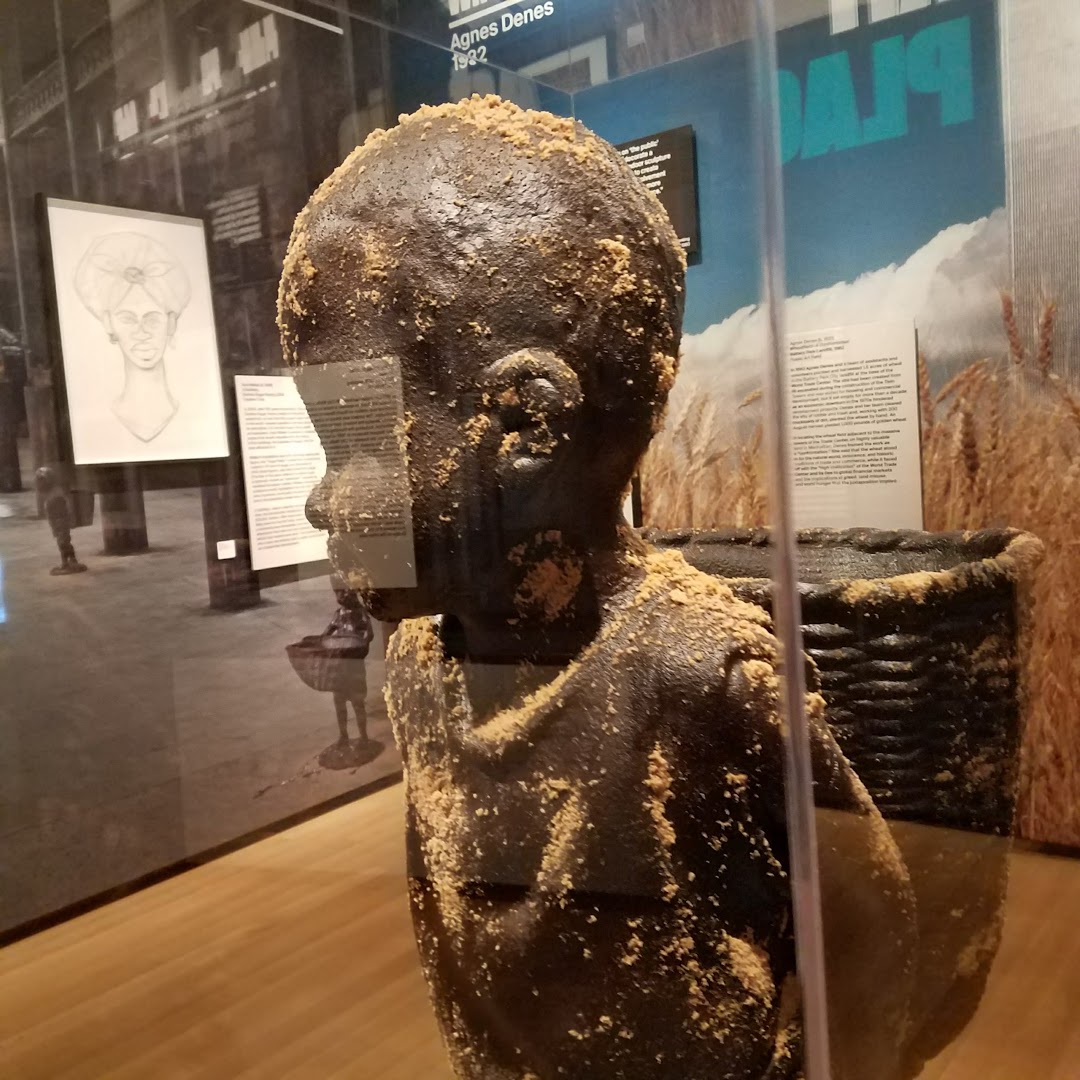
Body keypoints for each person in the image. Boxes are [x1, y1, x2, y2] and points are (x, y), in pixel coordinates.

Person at [279, 95, 917, 1080]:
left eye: (352, 439)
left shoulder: (699, 677)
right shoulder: (417, 663)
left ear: (525, 425)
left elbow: (871, 937)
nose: (320, 500)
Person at [74, 232, 191, 442]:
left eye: (152, 319)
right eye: (128, 319)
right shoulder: (96, 417)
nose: (141, 332)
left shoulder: (193, 412)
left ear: (171, 323)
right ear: (109, 324)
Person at [35, 466, 86, 576]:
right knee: (62, 542)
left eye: (42, 480)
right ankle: (68, 561)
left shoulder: (56, 493)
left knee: (63, 542)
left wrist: (64, 522)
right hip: (56, 522)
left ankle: (69, 561)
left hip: (61, 521)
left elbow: (63, 510)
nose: (41, 483)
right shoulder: (49, 493)